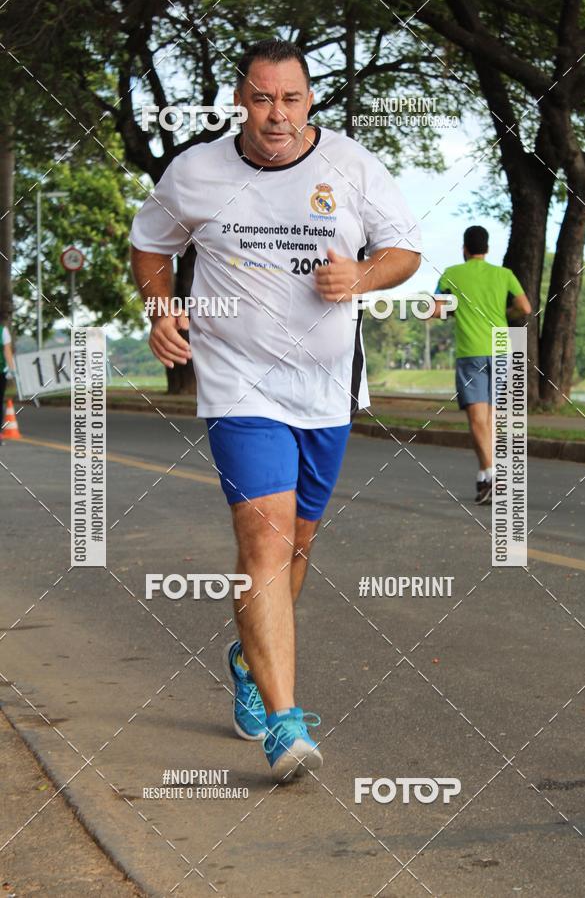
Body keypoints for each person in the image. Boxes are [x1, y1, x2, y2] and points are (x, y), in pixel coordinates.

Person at [130, 38, 421, 781]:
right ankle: (286, 723)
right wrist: (161, 307)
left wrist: (361, 274)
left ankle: (246, 659)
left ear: (309, 102)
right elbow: (149, 243)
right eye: (262, 98)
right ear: (241, 101)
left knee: (296, 546)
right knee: (264, 545)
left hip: (326, 390)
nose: (276, 115)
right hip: (239, 385)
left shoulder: (351, 167)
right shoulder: (197, 171)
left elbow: (406, 251)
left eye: (290, 99)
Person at [434, 226, 531, 505]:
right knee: (491, 419)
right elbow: (524, 308)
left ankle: (492, 476)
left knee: (478, 420)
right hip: (502, 349)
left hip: (471, 352)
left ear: (464, 248)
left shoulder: (452, 273)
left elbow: (437, 308)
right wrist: (504, 313)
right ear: (487, 249)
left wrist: (453, 310)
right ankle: (484, 476)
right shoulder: (504, 275)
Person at [0, 322, 16, 446]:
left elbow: (7, 351)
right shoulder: (3, 331)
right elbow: (7, 350)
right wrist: (12, 369)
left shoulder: (3, 331)